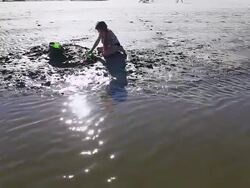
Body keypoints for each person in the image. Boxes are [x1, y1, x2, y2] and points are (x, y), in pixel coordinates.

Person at [87, 21, 128, 101]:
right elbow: (97, 41)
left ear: (102, 29)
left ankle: (119, 50)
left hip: (115, 47)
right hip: (109, 47)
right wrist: (91, 50)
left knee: (106, 55)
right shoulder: (102, 33)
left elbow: (111, 44)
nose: (98, 32)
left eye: (98, 30)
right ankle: (106, 53)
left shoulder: (109, 33)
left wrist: (105, 51)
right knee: (101, 50)